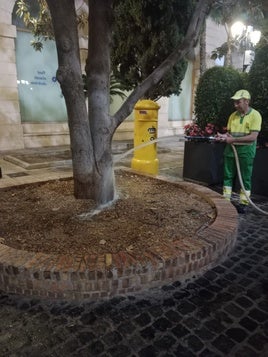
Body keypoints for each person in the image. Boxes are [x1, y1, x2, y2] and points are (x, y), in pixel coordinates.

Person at [216, 89, 262, 213]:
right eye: (235, 102)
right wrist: (223, 136)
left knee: (245, 177)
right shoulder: (233, 116)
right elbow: (229, 134)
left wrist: (233, 139)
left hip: (246, 152)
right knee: (228, 176)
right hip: (231, 151)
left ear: (247, 101)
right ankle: (226, 200)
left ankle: (243, 203)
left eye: (238, 102)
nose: (235, 105)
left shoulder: (255, 115)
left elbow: (253, 137)